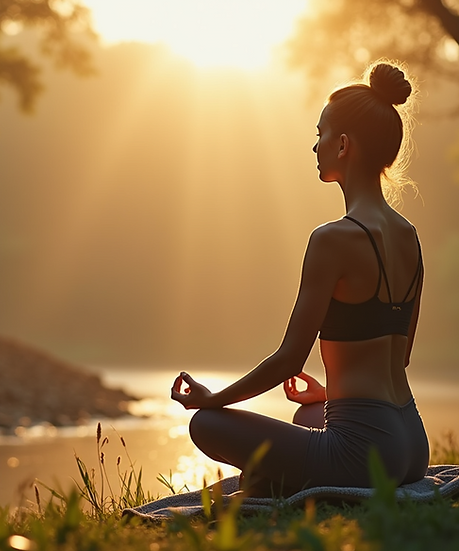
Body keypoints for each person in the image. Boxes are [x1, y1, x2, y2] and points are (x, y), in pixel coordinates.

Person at [170, 61, 429, 496]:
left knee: (206, 426)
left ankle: (268, 482)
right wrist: (329, 393)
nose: (315, 147)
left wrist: (211, 399)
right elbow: (397, 359)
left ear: (343, 144)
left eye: (320, 135)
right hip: (411, 445)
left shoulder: (333, 239)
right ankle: (283, 470)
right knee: (307, 417)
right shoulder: (409, 235)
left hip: (364, 456)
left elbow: (289, 359)